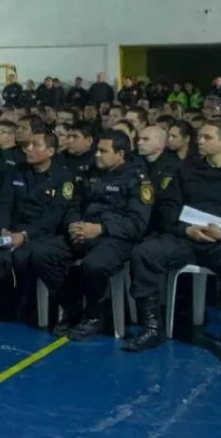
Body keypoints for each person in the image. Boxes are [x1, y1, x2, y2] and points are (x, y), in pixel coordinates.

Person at [124, 122, 221, 366]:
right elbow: (168, 207)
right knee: (144, 253)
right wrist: (186, 229)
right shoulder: (186, 172)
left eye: (207, 137)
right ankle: (151, 326)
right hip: (187, 236)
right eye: (200, 137)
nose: (200, 141)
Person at [57, 130, 153, 340]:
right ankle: (72, 308)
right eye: (97, 150)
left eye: (103, 151)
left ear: (120, 154)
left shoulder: (138, 180)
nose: (97, 155)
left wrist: (101, 229)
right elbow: (74, 203)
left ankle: (94, 315)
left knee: (94, 265)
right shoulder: (89, 172)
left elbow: (137, 223)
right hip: (84, 230)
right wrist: (74, 225)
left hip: (116, 237)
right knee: (48, 254)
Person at [0, 130, 74, 322]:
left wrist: (25, 235)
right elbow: (4, 203)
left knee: (23, 256)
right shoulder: (17, 171)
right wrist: (3, 228)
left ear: (51, 151)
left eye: (35, 145)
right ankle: (3, 303)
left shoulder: (62, 177)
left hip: (42, 234)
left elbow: (54, 216)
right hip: (12, 229)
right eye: (28, 145)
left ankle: (27, 305)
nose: (28, 149)